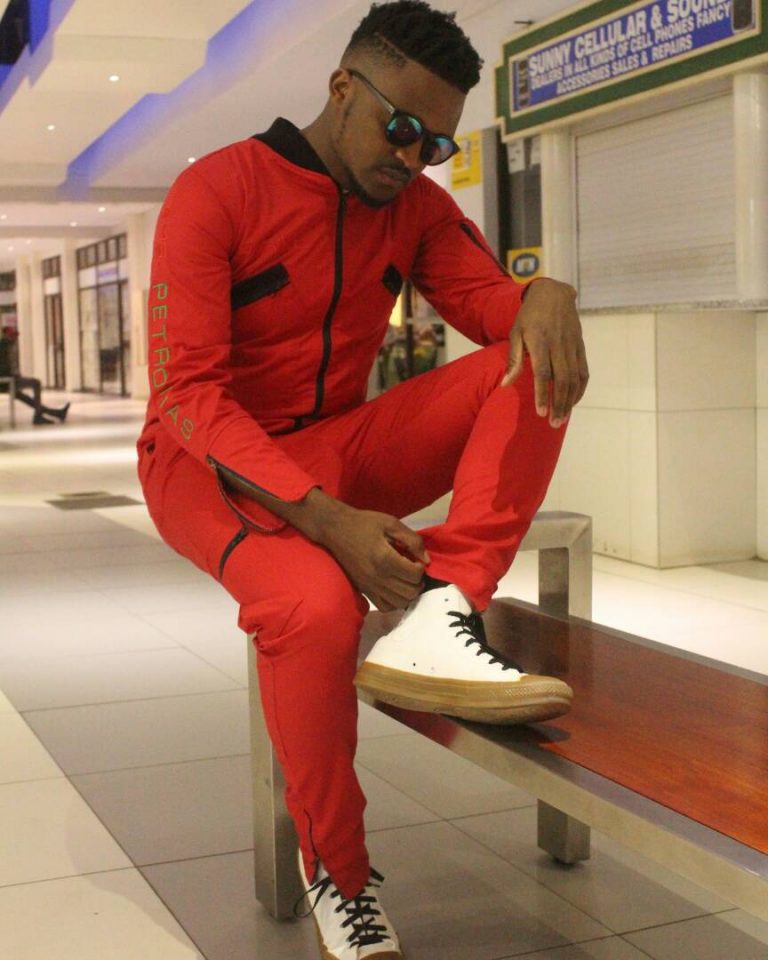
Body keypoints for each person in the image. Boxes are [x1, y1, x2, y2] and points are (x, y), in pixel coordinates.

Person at [137, 3, 589, 957]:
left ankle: (446, 607)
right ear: (343, 88)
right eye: (401, 128)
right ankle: (338, 876)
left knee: (532, 358)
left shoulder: (414, 207)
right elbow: (187, 393)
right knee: (312, 609)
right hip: (201, 462)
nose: (414, 157)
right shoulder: (216, 191)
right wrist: (330, 522)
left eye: (436, 144)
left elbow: (491, 308)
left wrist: (543, 294)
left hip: (338, 442)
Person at [0, 326, 69, 425]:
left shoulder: (7, 346)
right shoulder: (4, 346)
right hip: (6, 381)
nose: (16, 338)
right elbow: (5, 366)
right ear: (7, 335)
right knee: (36, 383)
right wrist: (13, 375)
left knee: (27, 399)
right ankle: (39, 416)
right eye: (14, 335)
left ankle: (57, 413)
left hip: (8, 379)